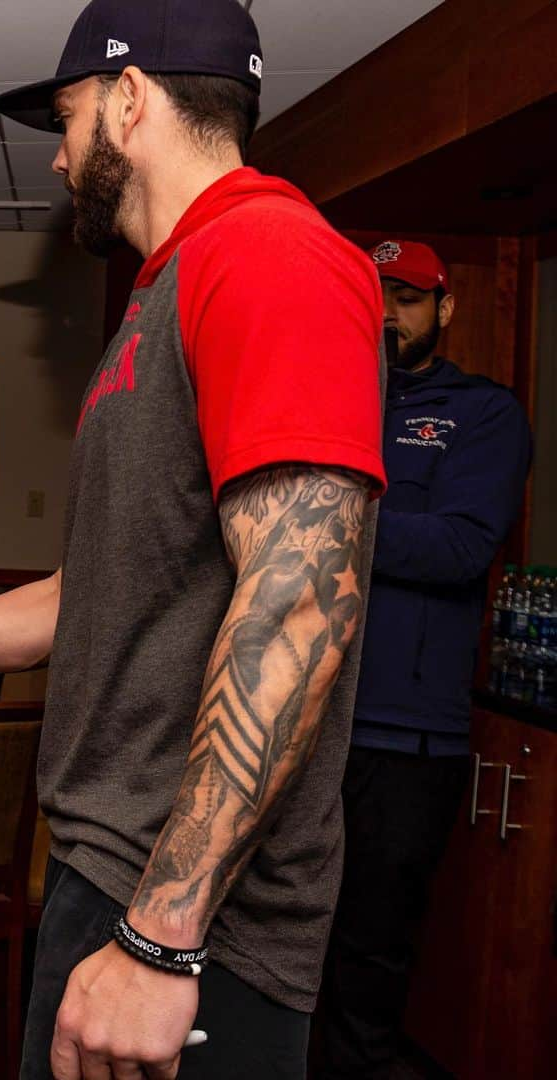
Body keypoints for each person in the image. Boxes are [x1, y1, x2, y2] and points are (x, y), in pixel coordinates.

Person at [0, 2, 388, 1076]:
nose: (56, 158)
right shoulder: (168, 292)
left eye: (69, 116)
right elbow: (89, 592)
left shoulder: (269, 253)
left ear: (131, 99)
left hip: (190, 917)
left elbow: (303, 602)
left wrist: (163, 930)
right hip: (115, 873)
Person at [318, 240, 532, 1078]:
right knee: (273, 938)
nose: (386, 312)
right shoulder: (329, 395)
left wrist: (323, 518)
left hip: (404, 739)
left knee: (369, 959)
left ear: (444, 309)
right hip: (299, 716)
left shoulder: (483, 413)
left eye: (407, 297)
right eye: (374, 294)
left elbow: (460, 547)